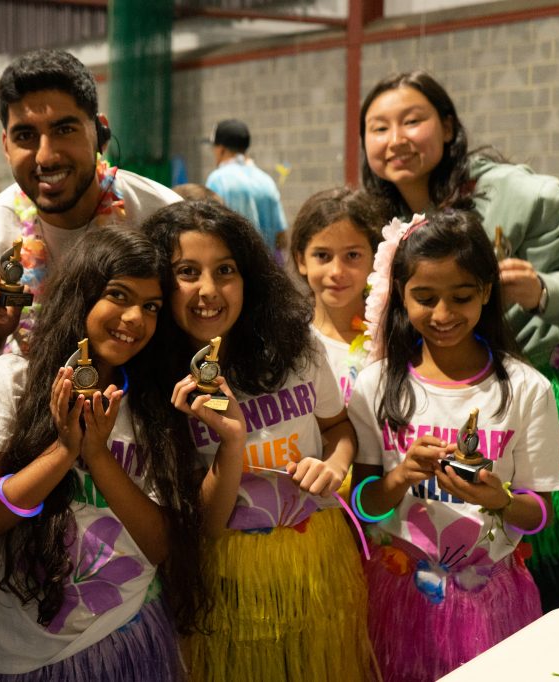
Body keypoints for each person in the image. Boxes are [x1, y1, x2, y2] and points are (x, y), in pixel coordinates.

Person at [359, 70, 559, 611]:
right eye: (378, 127)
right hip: (421, 398)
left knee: (542, 571)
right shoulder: (375, 216)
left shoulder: (521, 194)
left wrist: (541, 289)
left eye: (413, 120)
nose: (396, 139)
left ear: (449, 124)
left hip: (522, 398)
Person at [142, 201, 377, 681]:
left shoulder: (297, 346)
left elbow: (337, 429)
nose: (208, 290)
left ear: (249, 276)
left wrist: (334, 465)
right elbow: (204, 525)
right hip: (221, 578)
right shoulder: (152, 384)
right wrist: (230, 444)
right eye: (187, 271)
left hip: (318, 562)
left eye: (225, 270)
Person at [0, 228, 206, 680]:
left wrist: (99, 456)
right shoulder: (14, 381)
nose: (134, 318)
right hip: (19, 643)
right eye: (118, 295)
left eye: (150, 306)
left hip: (125, 633)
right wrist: (64, 449)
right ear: (81, 295)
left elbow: (160, 545)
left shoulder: (155, 404)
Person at [347, 210, 559, 681]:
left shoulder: (527, 389)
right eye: (425, 298)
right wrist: (401, 475)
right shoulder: (375, 386)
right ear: (400, 295)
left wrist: (500, 500)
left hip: (490, 599)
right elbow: (363, 505)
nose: (443, 314)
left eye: (461, 297)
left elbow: (540, 514)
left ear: (486, 292)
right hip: (400, 595)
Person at [0, 48, 180, 365]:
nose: (46, 157)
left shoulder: (158, 215)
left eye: (64, 130)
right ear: (6, 146)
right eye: (26, 135)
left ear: (100, 132)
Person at [291, 187, 382, 403]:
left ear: (375, 258)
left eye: (352, 255)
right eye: (322, 255)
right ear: (302, 261)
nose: (337, 272)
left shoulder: (391, 335)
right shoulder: (292, 341)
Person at [205, 119, 287, 252]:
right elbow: (281, 237)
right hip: (265, 269)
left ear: (221, 150)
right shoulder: (266, 181)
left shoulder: (218, 179)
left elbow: (207, 231)